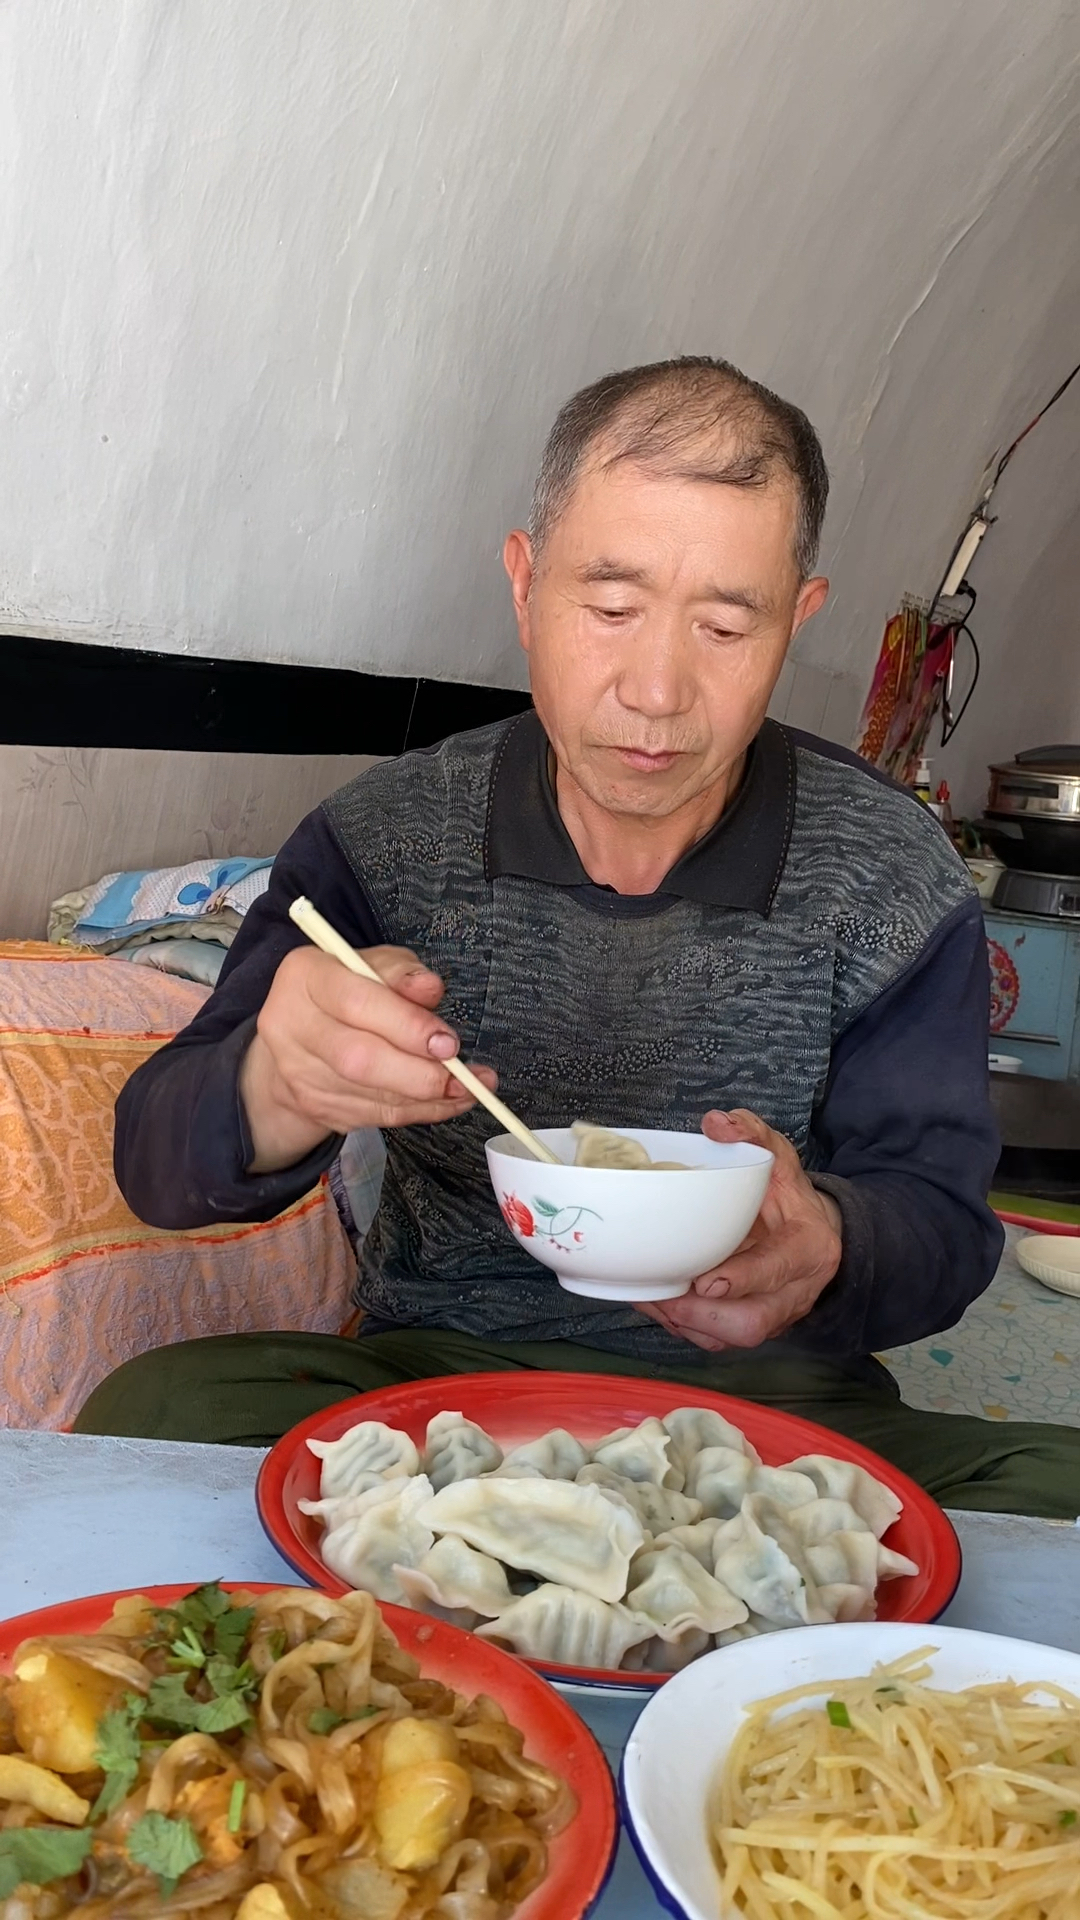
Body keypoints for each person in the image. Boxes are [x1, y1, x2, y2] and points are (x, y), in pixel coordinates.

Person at [77, 356, 1080, 1517]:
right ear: (525, 584)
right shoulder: (384, 839)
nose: (656, 689)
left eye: (724, 623)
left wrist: (828, 1246)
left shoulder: (891, 870)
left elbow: (945, 1230)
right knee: (157, 1415)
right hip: (439, 1387)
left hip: (783, 1417)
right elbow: (156, 1163)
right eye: (609, 608)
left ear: (798, 617)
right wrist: (271, 1084)